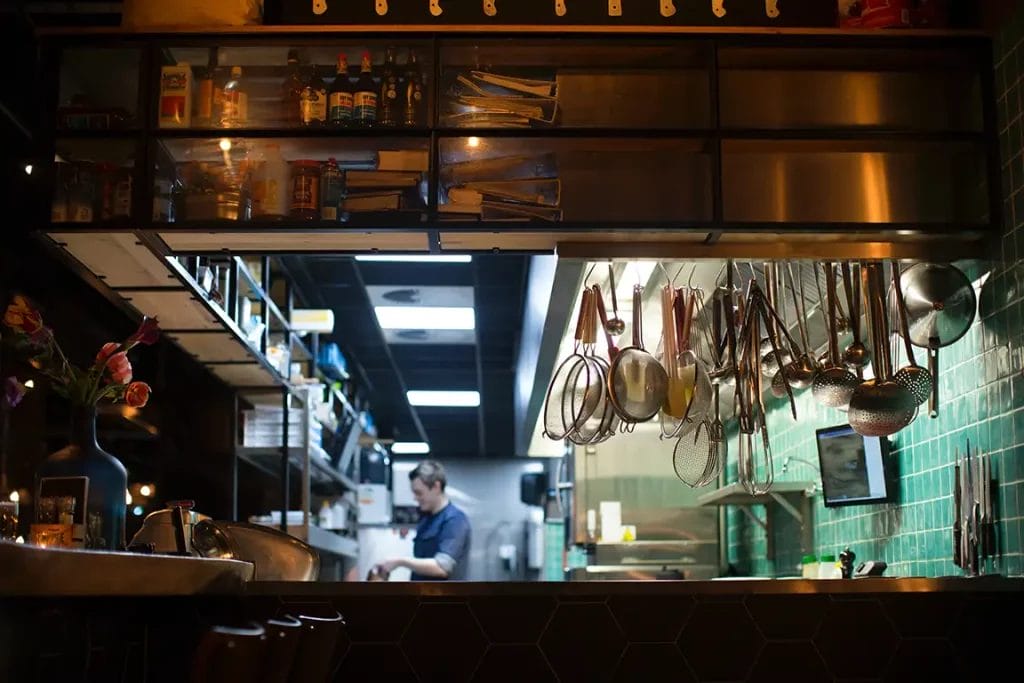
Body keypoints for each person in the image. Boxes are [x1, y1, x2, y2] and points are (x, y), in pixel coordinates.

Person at [376, 460, 471, 580]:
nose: (415, 498)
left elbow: (442, 567)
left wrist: (399, 562)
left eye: (419, 493)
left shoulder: (454, 520)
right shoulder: (426, 520)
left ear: (436, 487)